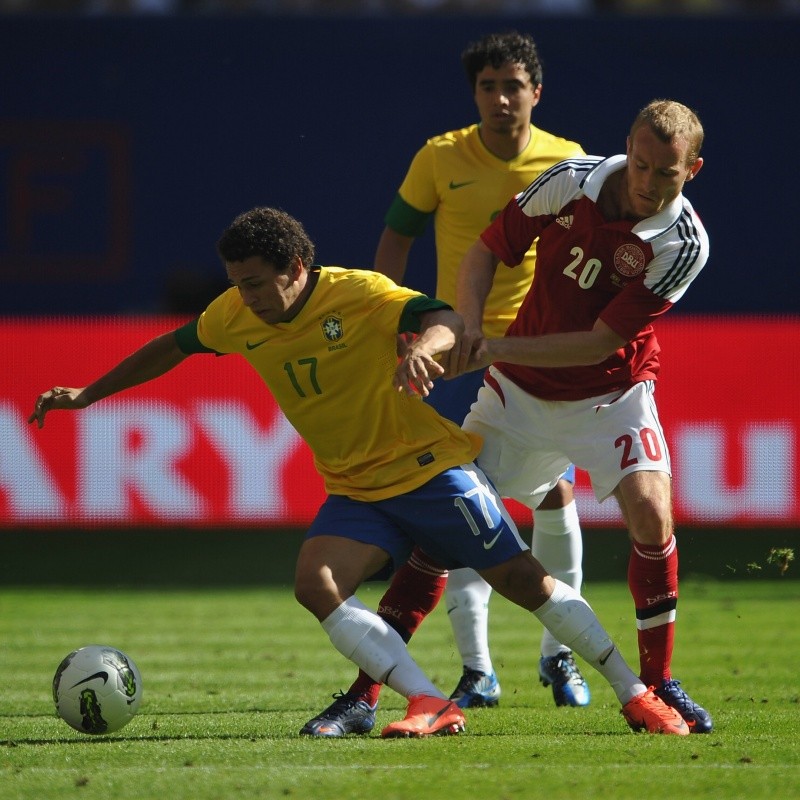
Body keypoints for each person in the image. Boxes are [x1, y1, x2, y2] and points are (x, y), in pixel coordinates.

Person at [28, 206, 689, 738]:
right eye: (236, 281)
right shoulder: (234, 314)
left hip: (429, 472)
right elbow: (172, 347)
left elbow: (444, 321)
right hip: (355, 490)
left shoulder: (360, 294)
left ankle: (636, 694)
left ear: (297, 267)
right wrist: (88, 394)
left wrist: (425, 353)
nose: (245, 296)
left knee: (521, 580)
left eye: (256, 281)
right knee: (314, 583)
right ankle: (429, 699)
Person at [302, 31, 591, 737]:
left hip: (534, 350)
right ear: (475, 94)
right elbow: (397, 235)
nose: (500, 98)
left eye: (512, 85)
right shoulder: (439, 157)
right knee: (466, 496)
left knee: (554, 490)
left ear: (536, 92)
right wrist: (394, 316)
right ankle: (479, 667)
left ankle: (560, 657)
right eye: (488, 85)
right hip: (456, 349)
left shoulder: (571, 161)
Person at [442, 98, 713, 733]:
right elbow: (486, 249)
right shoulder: (569, 179)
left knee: (651, 513)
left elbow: (598, 343)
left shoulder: (683, 244)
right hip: (519, 394)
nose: (647, 184)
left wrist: (490, 347)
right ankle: (389, 685)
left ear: (692, 170)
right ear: (627, 145)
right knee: (450, 511)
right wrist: (469, 327)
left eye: (666, 174)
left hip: (609, 396)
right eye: (641, 165)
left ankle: (658, 681)